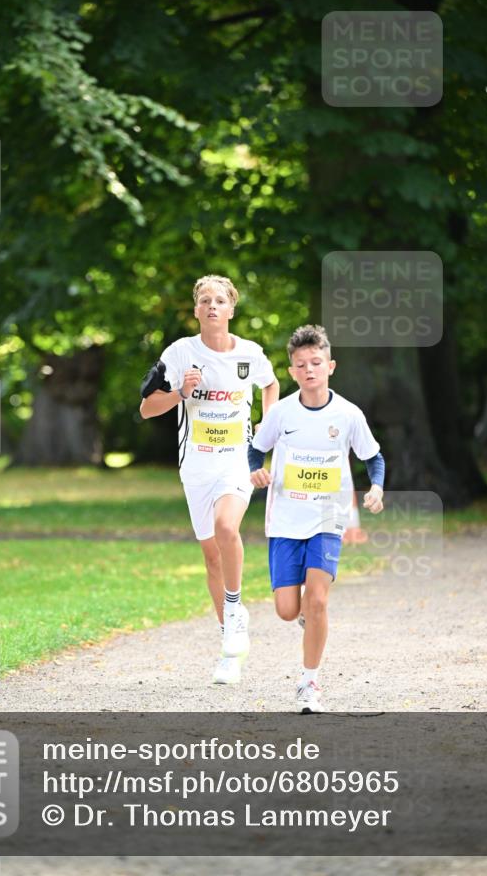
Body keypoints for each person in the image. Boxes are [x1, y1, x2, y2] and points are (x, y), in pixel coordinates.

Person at [140, 275, 279, 685]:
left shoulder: (250, 354)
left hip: (238, 460)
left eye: (220, 300)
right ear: (197, 310)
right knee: (212, 556)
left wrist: (265, 423)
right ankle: (229, 649)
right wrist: (181, 393)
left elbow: (270, 384)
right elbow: (148, 408)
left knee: (225, 528)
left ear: (231, 310)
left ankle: (236, 613)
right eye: (205, 300)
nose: (213, 306)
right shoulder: (180, 353)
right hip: (195, 467)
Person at [249, 324, 385, 712]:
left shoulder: (347, 414)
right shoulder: (281, 413)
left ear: (330, 366)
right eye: (301, 365)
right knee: (288, 609)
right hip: (286, 521)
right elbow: (255, 451)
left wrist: (375, 488)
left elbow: (373, 457)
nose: (309, 370)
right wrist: (256, 471)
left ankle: (310, 684)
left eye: (316, 362)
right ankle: (307, 618)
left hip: (328, 518)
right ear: (292, 372)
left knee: (319, 601)